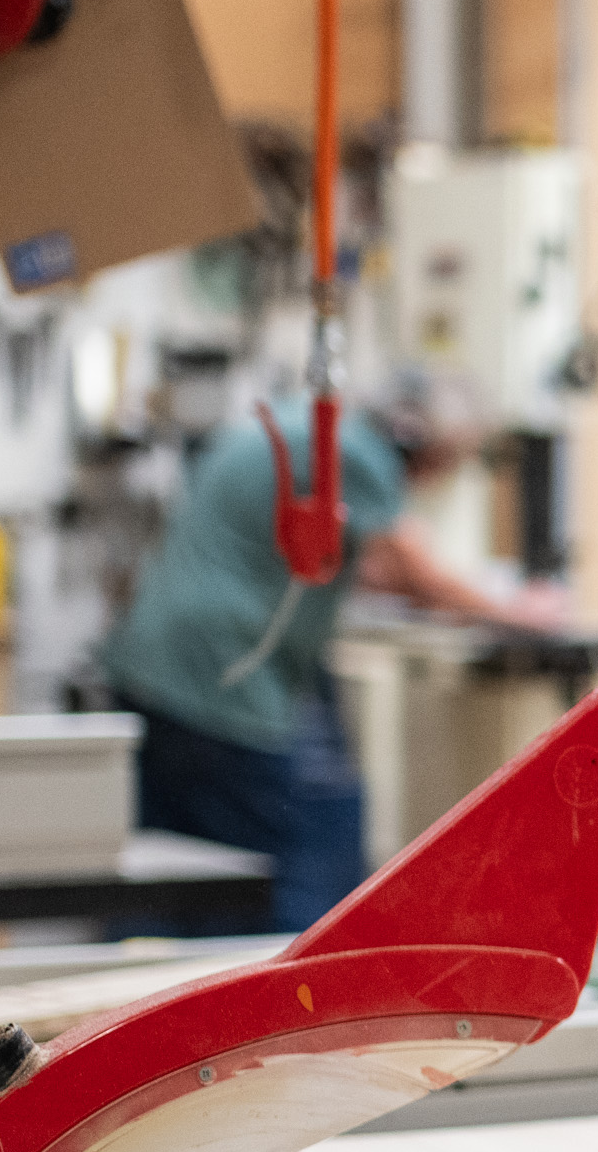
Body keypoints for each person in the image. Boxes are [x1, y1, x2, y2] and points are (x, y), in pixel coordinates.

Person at [106, 376, 560, 932]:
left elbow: (359, 563)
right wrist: (517, 610)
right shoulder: (352, 451)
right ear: (430, 447)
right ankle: (278, 1001)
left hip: (156, 667)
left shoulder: (306, 429)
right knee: (279, 866)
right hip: (225, 677)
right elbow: (413, 568)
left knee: (172, 871)